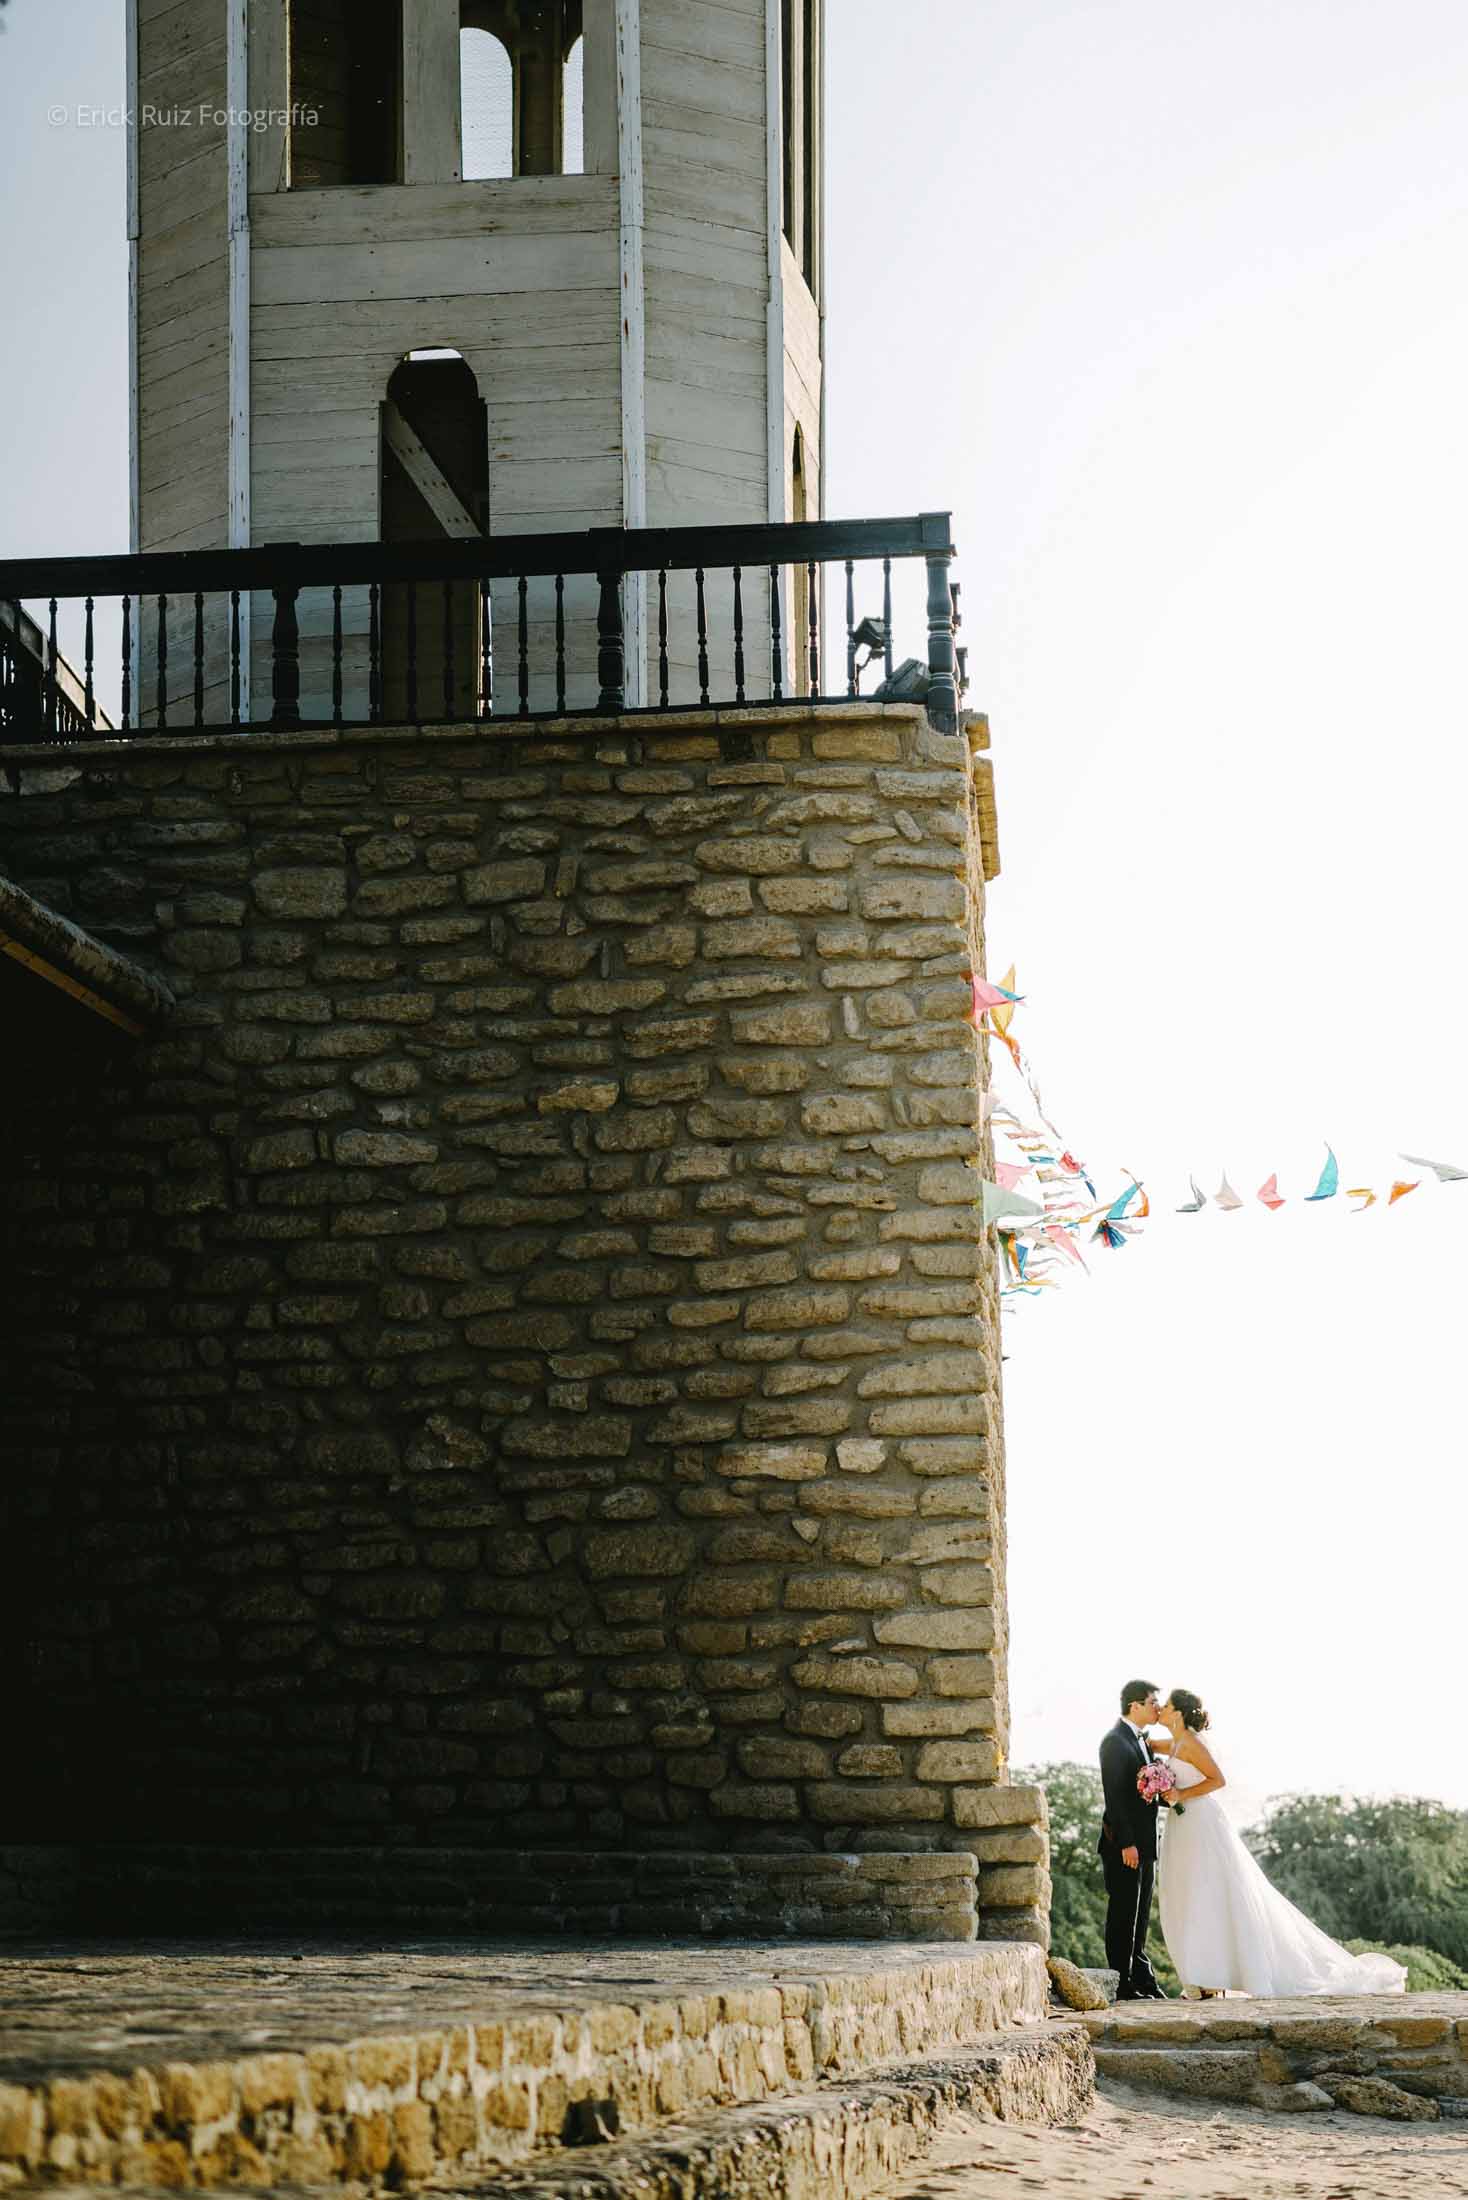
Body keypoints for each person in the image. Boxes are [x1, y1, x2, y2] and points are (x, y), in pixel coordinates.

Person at [1154, 1689, 1407, 1998]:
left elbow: (1218, 1780)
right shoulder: (1177, 1742)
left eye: (1165, 1706)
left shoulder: (1192, 1743)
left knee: (1210, 1890)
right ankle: (1206, 1974)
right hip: (1183, 1823)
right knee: (1194, 1894)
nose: (1161, 1709)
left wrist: (1180, 1794)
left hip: (1201, 1822)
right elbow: (1153, 1745)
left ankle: (1214, 1977)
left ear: (1178, 1713)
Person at [1097, 1678, 1168, 2000]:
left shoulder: (1143, 1741)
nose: (1158, 1708)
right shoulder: (1114, 1742)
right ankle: (1121, 1983)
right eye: (1153, 1702)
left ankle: (1143, 1979)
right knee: (1123, 1914)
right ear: (1134, 1705)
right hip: (1124, 1846)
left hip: (1147, 1843)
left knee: (1140, 1916)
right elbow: (1114, 1798)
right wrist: (1127, 1843)